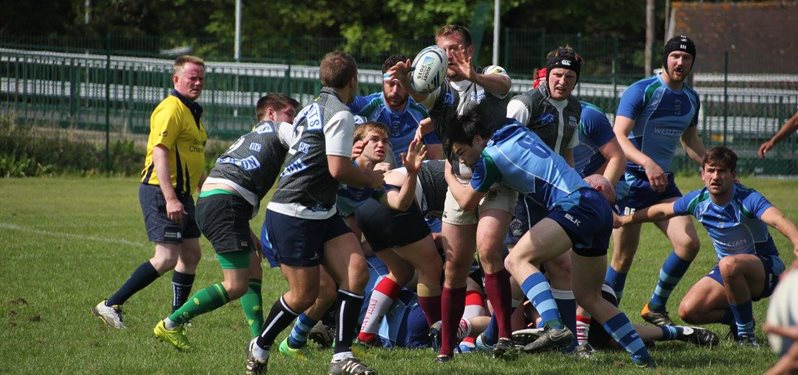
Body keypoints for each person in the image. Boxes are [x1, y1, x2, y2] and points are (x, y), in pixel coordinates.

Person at [447, 112, 655, 368]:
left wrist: (448, 175)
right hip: (597, 205)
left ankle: (554, 326)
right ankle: (643, 358)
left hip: (575, 204)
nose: (462, 160)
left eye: (460, 152)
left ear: (478, 140)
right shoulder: (512, 127)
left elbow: (467, 202)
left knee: (516, 259)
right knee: (590, 298)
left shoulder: (488, 160)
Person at [245, 51, 384, 375]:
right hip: (294, 212)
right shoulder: (341, 114)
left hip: (321, 211)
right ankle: (261, 345)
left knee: (356, 272)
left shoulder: (311, 108)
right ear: (353, 80)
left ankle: (341, 357)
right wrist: (369, 177)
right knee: (305, 293)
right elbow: (338, 168)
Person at [391, 24, 516, 362]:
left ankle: (504, 337)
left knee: (490, 250)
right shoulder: (440, 88)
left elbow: (504, 86)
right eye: (442, 50)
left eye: (455, 47)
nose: (449, 55)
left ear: (469, 49)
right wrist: (405, 79)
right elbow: (420, 96)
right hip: (458, 180)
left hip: (495, 181)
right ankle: (447, 347)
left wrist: (473, 75)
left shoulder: (490, 73)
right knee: (456, 264)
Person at [150, 94, 298, 350]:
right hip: (225, 204)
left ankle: (259, 338)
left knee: (253, 268)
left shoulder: (251, 135)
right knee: (235, 285)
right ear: (271, 113)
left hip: (219, 201)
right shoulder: (278, 128)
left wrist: (246, 229)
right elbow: (309, 143)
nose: (293, 120)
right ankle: (170, 324)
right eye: (290, 114)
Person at [617, 146, 798, 346]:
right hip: (728, 270)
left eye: (722, 171)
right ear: (702, 174)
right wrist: (624, 220)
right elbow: (662, 211)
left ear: (733, 175)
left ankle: (746, 337)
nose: (715, 176)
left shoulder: (747, 198)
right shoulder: (699, 200)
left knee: (729, 265)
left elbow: (777, 219)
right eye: (711, 171)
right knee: (689, 310)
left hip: (766, 269)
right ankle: (740, 320)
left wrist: (796, 240)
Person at [93, 55, 208, 329]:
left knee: (191, 254)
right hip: (161, 191)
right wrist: (169, 197)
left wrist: (205, 186)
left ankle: (177, 316)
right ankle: (110, 305)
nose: (198, 82)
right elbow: (160, 151)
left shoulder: (192, 111)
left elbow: (194, 154)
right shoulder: (170, 108)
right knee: (167, 257)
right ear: (176, 79)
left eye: (201, 78)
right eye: (192, 77)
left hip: (183, 195)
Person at [607, 35, 707, 326]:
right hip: (630, 183)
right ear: (665, 58)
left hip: (663, 185)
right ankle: (607, 319)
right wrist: (647, 162)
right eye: (675, 56)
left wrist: (711, 164)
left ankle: (655, 307)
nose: (680, 62)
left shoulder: (691, 98)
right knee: (623, 257)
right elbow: (618, 136)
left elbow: (690, 139)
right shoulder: (641, 90)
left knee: (688, 244)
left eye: (686, 58)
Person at [349, 55, 443, 167]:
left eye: (401, 85)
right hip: (372, 174)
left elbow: (435, 158)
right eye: (391, 83)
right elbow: (331, 107)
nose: (395, 90)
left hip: (408, 175)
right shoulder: (365, 105)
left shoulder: (422, 111)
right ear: (383, 82)